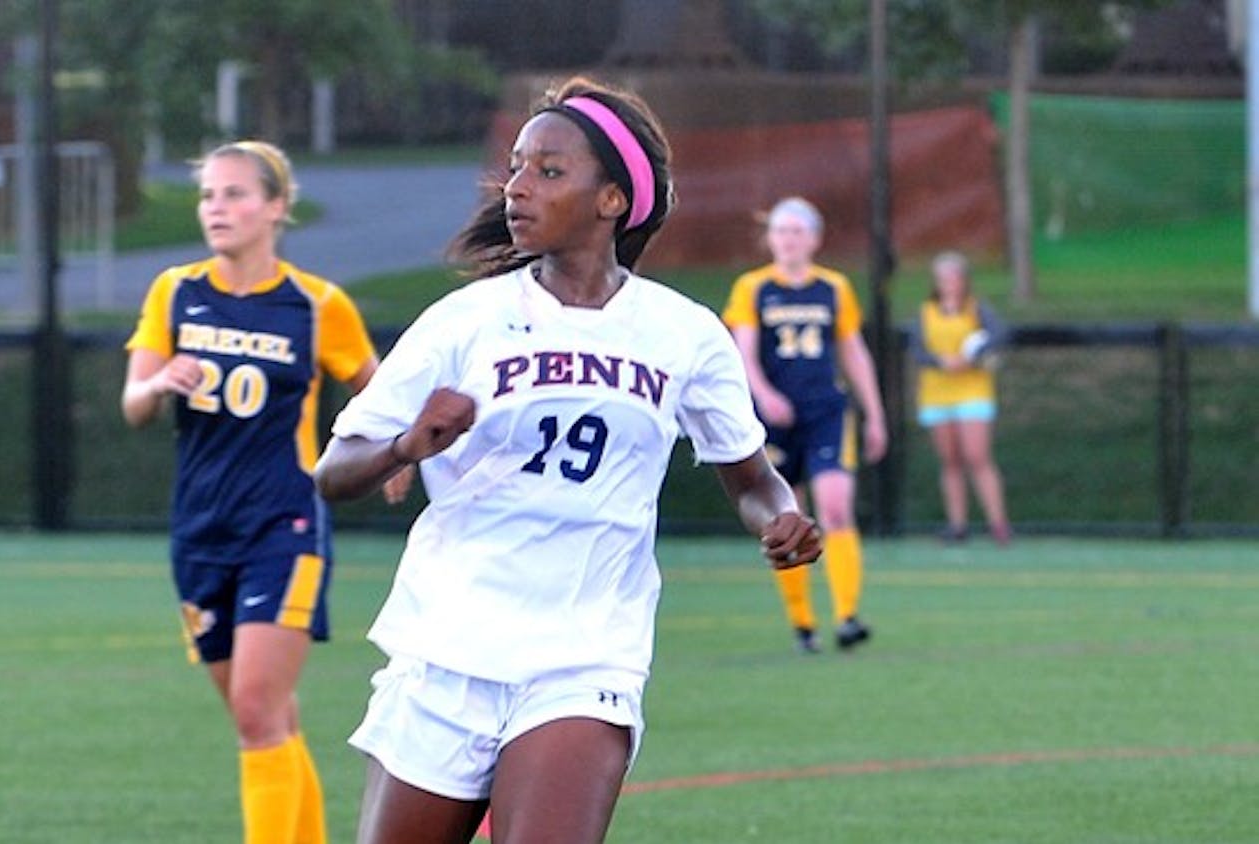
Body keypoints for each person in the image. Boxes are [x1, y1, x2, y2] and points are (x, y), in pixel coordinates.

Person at [313, 76, 823, 844]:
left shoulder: (682, 334)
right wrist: (405, 447)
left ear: (613, 200)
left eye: (548, 172)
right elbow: (332, 472)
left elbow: (751, 479)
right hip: (448, 649)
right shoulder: (466, 320)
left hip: (585, 659)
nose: (517, 187)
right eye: (515, 167)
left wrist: (779, 517)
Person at [121, 140, 409, 844]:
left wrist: (392, 456)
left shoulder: (315, 305)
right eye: (208, 196)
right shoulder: (176, 291)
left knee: (257, 710)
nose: (217, 208)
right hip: (199, 530)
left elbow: (377, 392)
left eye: (236, 194)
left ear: (277, 207)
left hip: (284, 526)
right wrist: (160, 383)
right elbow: (133, 403)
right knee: (267, 719)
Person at [720, 197, 888, 654]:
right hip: (775, 419)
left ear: (814, 238)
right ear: (769, 238)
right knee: (787, 517)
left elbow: (853, 352)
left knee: (834, 507)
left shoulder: (833, 288)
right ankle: (803, 624)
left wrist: (875, 412)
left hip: (825, 412)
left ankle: (848, 616)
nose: (789, 239)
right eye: (781, 230)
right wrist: (764, 394)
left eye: (798, 231)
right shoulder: (753, 288)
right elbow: (743, 351)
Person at [911, 251, 1012, 545]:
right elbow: (919, 350)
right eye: (944, 278)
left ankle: (998, 524)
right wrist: (941, 361)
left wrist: (972, 358)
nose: (949, 283)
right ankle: (957, 524)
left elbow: (999, 336)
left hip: (972, 390)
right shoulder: (926, 312)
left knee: (977, 456)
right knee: (950, 460)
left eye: (954, 277)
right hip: (937, 393)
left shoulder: (977, 309)